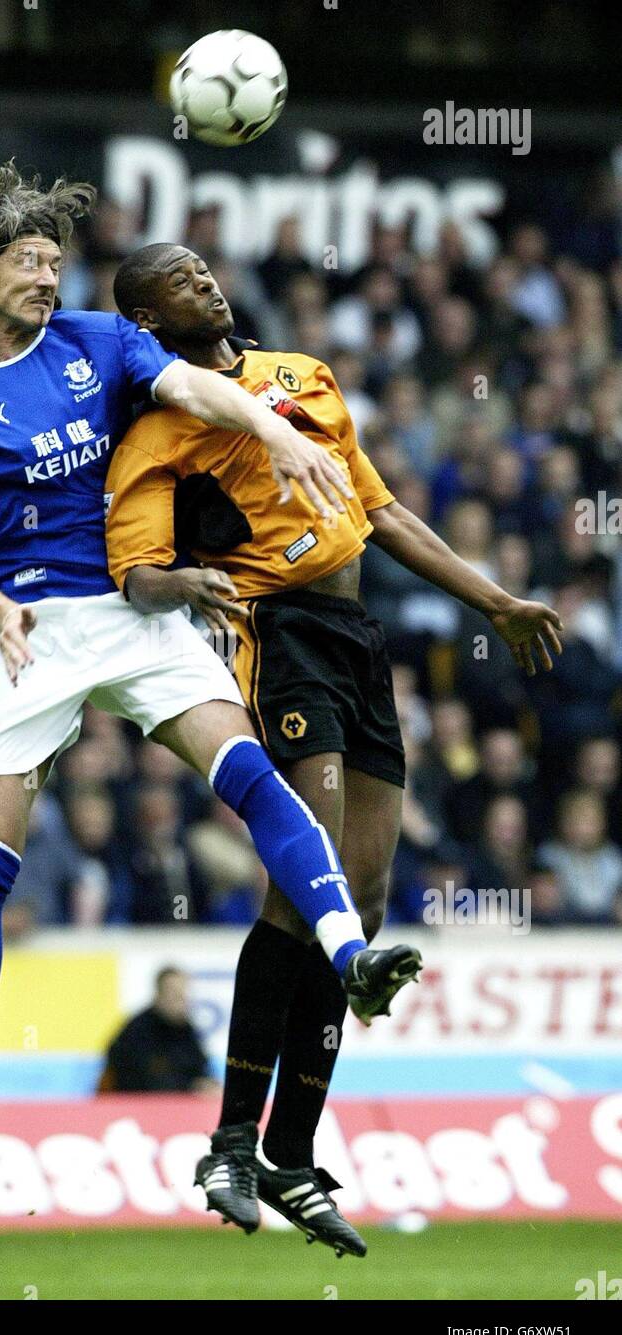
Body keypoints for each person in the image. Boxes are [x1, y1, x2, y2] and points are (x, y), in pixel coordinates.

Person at [0, 164, 424, 1171]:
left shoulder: (100, 340)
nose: (52, 278)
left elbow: (191, 386)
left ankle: (350, 956)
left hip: (131, 614)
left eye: (57, 259)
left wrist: (273, 426)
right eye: (30, 263)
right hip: (27, 627)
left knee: (250, 772)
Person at [103, 241, 564, 1251]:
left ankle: (293, 1154)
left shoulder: (303, 375)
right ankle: (230, 1137)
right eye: (176, 277)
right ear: (145, 322)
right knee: (299, 884)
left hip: (358, 639)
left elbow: (382, 510)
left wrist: (493, 598)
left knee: (365, 898)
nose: (205, 279)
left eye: (201, 265)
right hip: (283, 636)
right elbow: (135, 566)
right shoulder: (161, 428)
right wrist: (185, 584)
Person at [98, 967, 213, 1094]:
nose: (181, 1000)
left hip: (179, 1105)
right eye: (175, 994)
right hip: (138, 1104)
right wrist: (188, 1087)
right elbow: (138, 1078)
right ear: (159, 995)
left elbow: (201, 1070)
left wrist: (206, 1085)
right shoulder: (137, 1031)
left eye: (183, 994)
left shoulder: (187, 1031)